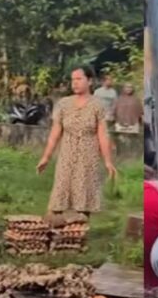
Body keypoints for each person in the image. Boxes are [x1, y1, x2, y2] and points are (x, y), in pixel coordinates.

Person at [38, 66, 117, 215]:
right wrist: (46, 157)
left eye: (79, 79)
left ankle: (80, 228)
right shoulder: (63, 104)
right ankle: (57, 227)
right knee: (61, 190)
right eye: (73, 79)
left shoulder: (97, 105)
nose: (75, 83)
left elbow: (102, 135)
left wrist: (108, 161)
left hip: (88, 155)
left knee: (84, 194)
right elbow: (55, 133)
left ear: (90, 81)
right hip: (67, 154)